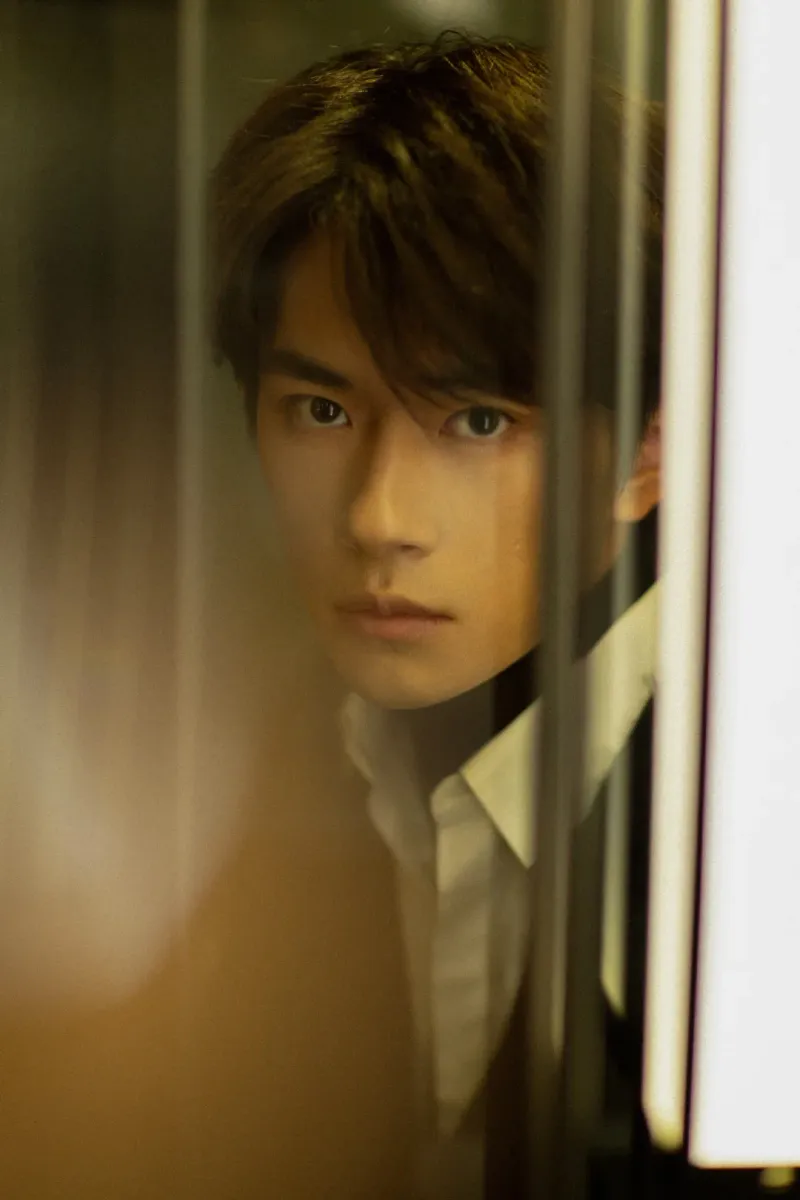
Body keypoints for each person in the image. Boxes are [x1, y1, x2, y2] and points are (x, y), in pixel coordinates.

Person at [211, 31, 663, 1199]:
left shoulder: (738, 819)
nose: (377, 517)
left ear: (648, 450)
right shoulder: (254, 760)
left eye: (475, 422)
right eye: (320, 411)